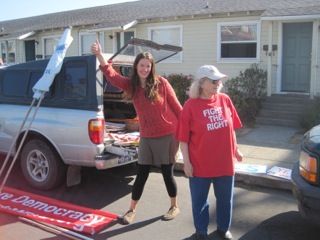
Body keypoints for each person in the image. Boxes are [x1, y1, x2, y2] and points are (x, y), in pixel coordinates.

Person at [91, 40, 182, 224]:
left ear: (152, 68)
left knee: (167, 172)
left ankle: (174, 206)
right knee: (142, 173)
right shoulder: (132, 86)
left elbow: (177, 108)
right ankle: (131, 210)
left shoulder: (161, 83)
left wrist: (188, 132)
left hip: (168, 135)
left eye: (148, 66)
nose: (145, 69)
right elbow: (112, 76)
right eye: (142, 65)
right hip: (147, 136)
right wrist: (100, 55)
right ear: (136, 67)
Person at [176, 65, 243, 240]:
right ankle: (201, 231)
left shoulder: (225, 99)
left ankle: (223, 228)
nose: (217, 83)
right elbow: (183, 139)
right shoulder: (190, 106)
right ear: (201, 83)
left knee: (225, 200)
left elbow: (232, 129)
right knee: (200, 202)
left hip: (224, 162)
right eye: (213, 81)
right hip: (200, 164)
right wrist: (187, 163)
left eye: (219, 80)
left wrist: (236, 150)